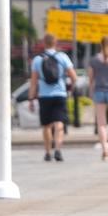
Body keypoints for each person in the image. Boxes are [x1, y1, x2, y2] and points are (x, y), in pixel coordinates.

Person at [28, 33, 77, 162]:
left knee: (46, 125)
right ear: (56, 43)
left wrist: (30, 99)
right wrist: (70, 87)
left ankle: (48, 152)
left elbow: (33, 82)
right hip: (60, 94)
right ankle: (58, 150)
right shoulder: (62, 57)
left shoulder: (37, 60)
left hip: (44, 96)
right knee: (59, 123)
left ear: (43, 44)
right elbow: (74, 77)